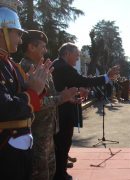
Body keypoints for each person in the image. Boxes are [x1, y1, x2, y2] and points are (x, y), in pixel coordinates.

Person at [0, 1, 53, 179]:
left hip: (20, 147)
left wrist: (35, 86)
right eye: (17, 33)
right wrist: (31, 92)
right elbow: (4, 107)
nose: (21, 40)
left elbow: (28, 94)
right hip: (5, 149)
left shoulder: (10, 64)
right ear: (2, 31)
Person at [52, 42, 120, 180]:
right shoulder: (64, 67)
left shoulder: (59, 64)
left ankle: (61, 166)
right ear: (67, 53)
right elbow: (83, 80)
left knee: (62, 142)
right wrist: (106, 76)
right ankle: (60, 174)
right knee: (63, 141)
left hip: (61, 109)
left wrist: (76, 92)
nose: (77, 59)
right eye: (76, 56)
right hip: (62, 112)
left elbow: (68, 85)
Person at [19, 30, 78, 180]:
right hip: (37, 132)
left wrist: (67, 97)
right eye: (42, 47)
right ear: (31, 47)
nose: (45, 50)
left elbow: (49, 94)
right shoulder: (26, 68)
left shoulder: (41, 66)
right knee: (40, 173)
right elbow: (34, 102)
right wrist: (61, 99)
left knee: (50, 171)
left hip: (48, 131)